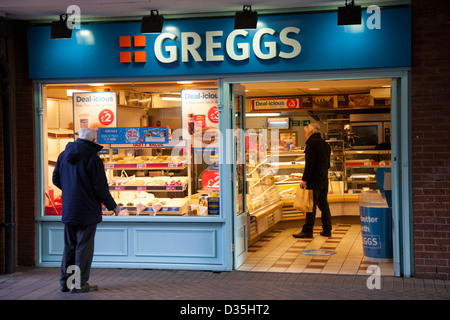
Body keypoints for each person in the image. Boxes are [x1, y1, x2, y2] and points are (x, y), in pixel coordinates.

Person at [53, 127, 120, 293]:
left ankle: (66, 283)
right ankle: (79, 284)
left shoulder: (63, 156)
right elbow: (100, 188)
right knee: (83, 247)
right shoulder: (93, 159)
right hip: (87, 209)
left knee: (70, 246)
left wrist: (71, 190)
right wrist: (114, 207)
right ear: (92, 140)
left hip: (69, 209)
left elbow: (55, 179)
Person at [293, 123, 332, 238]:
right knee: (324, 205)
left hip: (313, 180)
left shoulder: (311, 144)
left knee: (310, 206)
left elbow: (309, 164)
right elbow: (328, 165)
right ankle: (327, 230)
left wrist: (304, 180)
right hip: (324, 179)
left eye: (305, 133)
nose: (305, 135)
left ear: (310, 132)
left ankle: (307, 231)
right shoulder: (326, 145)